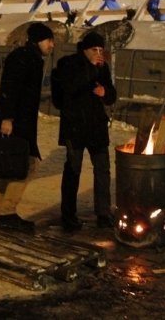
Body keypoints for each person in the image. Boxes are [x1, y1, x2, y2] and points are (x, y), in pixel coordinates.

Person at [0, 22, 55, 233]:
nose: (52, 45)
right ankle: (7, 213)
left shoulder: (29, 57)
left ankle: (4, 213)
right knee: (26, 164)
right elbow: (10, 88)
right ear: (38, 40)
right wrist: (7, 118)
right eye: (49, 40)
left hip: (21, 120)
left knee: (11, 165)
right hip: (17, 122)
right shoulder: (24, 58)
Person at [55, 32, 117, 232]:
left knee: (102, 170)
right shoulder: (69, 63)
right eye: (94, 50)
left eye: (101, 50)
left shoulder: (102, 67)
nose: (98, 53)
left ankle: (103, 213)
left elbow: (111, 95)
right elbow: (71, 88)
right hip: (75, 125)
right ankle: (68, 215)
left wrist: (105, 93)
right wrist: (91, 68)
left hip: (96, 126)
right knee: (73, 170)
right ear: (85, 49)